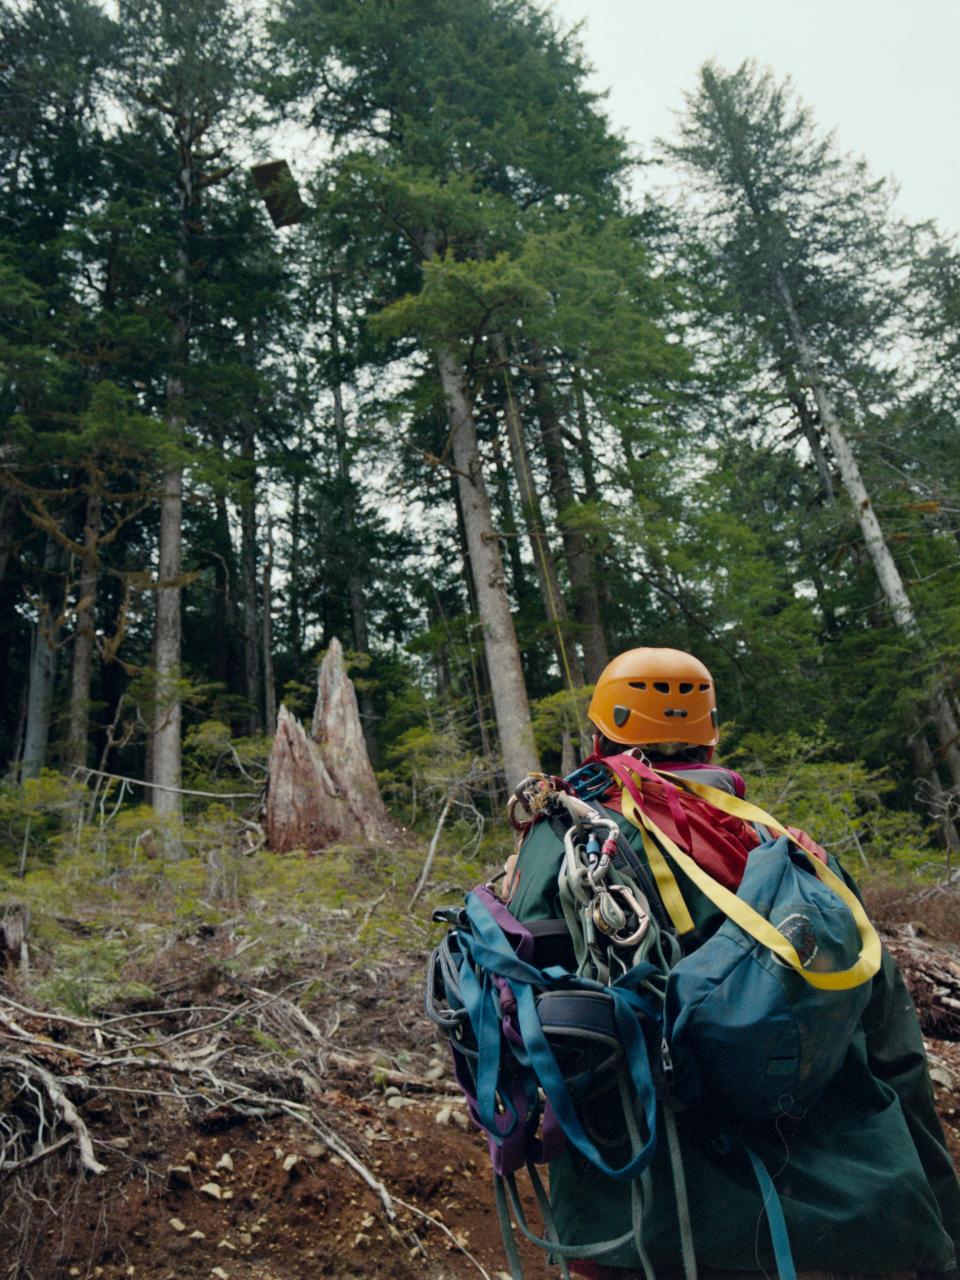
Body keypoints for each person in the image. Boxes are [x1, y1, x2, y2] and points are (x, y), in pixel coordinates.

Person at [503, 646, 960, 1280]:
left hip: (644, 1229)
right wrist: (940, 1236)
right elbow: (895, 1053)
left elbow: (521, 1030)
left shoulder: (562, 846)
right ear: (710, 742)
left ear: (600, 736)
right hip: (855, 1218)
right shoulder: (793, 853)